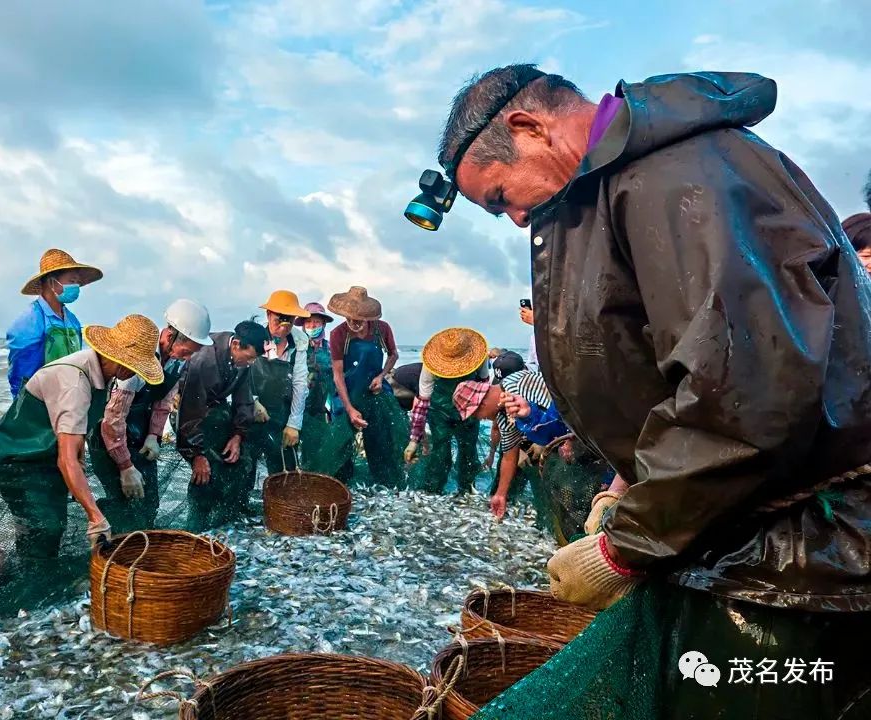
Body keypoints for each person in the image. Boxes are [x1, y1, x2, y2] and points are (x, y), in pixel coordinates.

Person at [432, 65, 871, 717]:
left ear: (529, 127)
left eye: (501, 198)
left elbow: (743, 400)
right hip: (731, 540)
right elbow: (659, 366)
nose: (514, 217)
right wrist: (623, 483)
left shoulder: (680, 175)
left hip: (801, 564)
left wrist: (623, 548)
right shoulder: (606, 189)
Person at [0, 315, 163, 561]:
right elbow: (66, 460)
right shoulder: (75, 382)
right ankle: (29, 584)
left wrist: (78, 460)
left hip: (48, 452)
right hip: (19, 456)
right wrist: (95, 517)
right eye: (136, 368)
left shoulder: (102, 374)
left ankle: (38, 568)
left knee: (56, 522)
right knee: (45, 527)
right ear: (123, 363)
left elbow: (77, 433)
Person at [88, 299, 213, 533]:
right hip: (108, 438)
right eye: (186, 351)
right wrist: (125, 466)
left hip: (140, 435)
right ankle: (110, 555)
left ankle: (140, 553)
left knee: (149, 503)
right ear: (170, 337)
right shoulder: (138, 360)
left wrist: (154, 436)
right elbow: (112, 420)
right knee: (125, 504)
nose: (188, 358)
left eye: (192, 354)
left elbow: (164, 400)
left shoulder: (178, 362)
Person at [176, 321, 267, 531]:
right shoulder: (203, 360)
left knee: (240, 460)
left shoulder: (244, 362)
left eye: (255, 358)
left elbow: (243, 400)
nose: (251, 363)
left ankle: (228, 518)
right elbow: (189, 413)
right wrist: (196, 454)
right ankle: (196, 524)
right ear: (236, 344)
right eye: (250, 357)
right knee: (207, 469)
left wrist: (238, 436)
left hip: (215, 411)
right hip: (187, 414)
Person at [325, 286, 406, 487]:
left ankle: (386, 484)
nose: (354, 324)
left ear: (368, 318)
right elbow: (337, 375)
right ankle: (339, 486)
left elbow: (393, 354)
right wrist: (350, 409)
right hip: (347, 392)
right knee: (340, 447)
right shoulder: (338, 334)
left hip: (375, 392)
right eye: (349, 319)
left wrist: (381, 375)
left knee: (381, 442)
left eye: (359, 320)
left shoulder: (382, 329)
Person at [5, 249, 102, 397]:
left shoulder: (72, 320)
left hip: (69, 398)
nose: (76, 287)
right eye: (72, 281)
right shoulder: (29, 321)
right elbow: (21, 376)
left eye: (77, 282)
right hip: (41, 400)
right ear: (52, 282)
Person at [403, 328, 490, 494]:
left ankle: (466, 492)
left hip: (469, 413)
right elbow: (422, 403)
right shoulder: (430, 368)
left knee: (468, 455)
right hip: (440, 414)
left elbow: (484, 385)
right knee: (440, 455)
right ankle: (433, 493)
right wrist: (414, 440)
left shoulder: (480, 358)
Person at [248, 291, 310, 478]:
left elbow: (300, 383)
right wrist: (253, 401)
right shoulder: (254, 335)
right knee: (244, 465)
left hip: (280, 411)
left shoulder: (299, 341)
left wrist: (294, 424)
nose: (284, 326)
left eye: (289, 320)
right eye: (279, 319)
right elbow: (240, 371)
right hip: (250, 408)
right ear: (268, 315)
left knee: (286, 470)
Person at [296, 302, 335, 467]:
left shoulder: (331, 348)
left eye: (316, 322)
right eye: (308, 322)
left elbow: (337, 377)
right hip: (297, 406)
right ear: (303, 325)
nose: (312, 326)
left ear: (323, 324)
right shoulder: (296, 346)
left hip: (321, 408)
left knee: (316, 451)